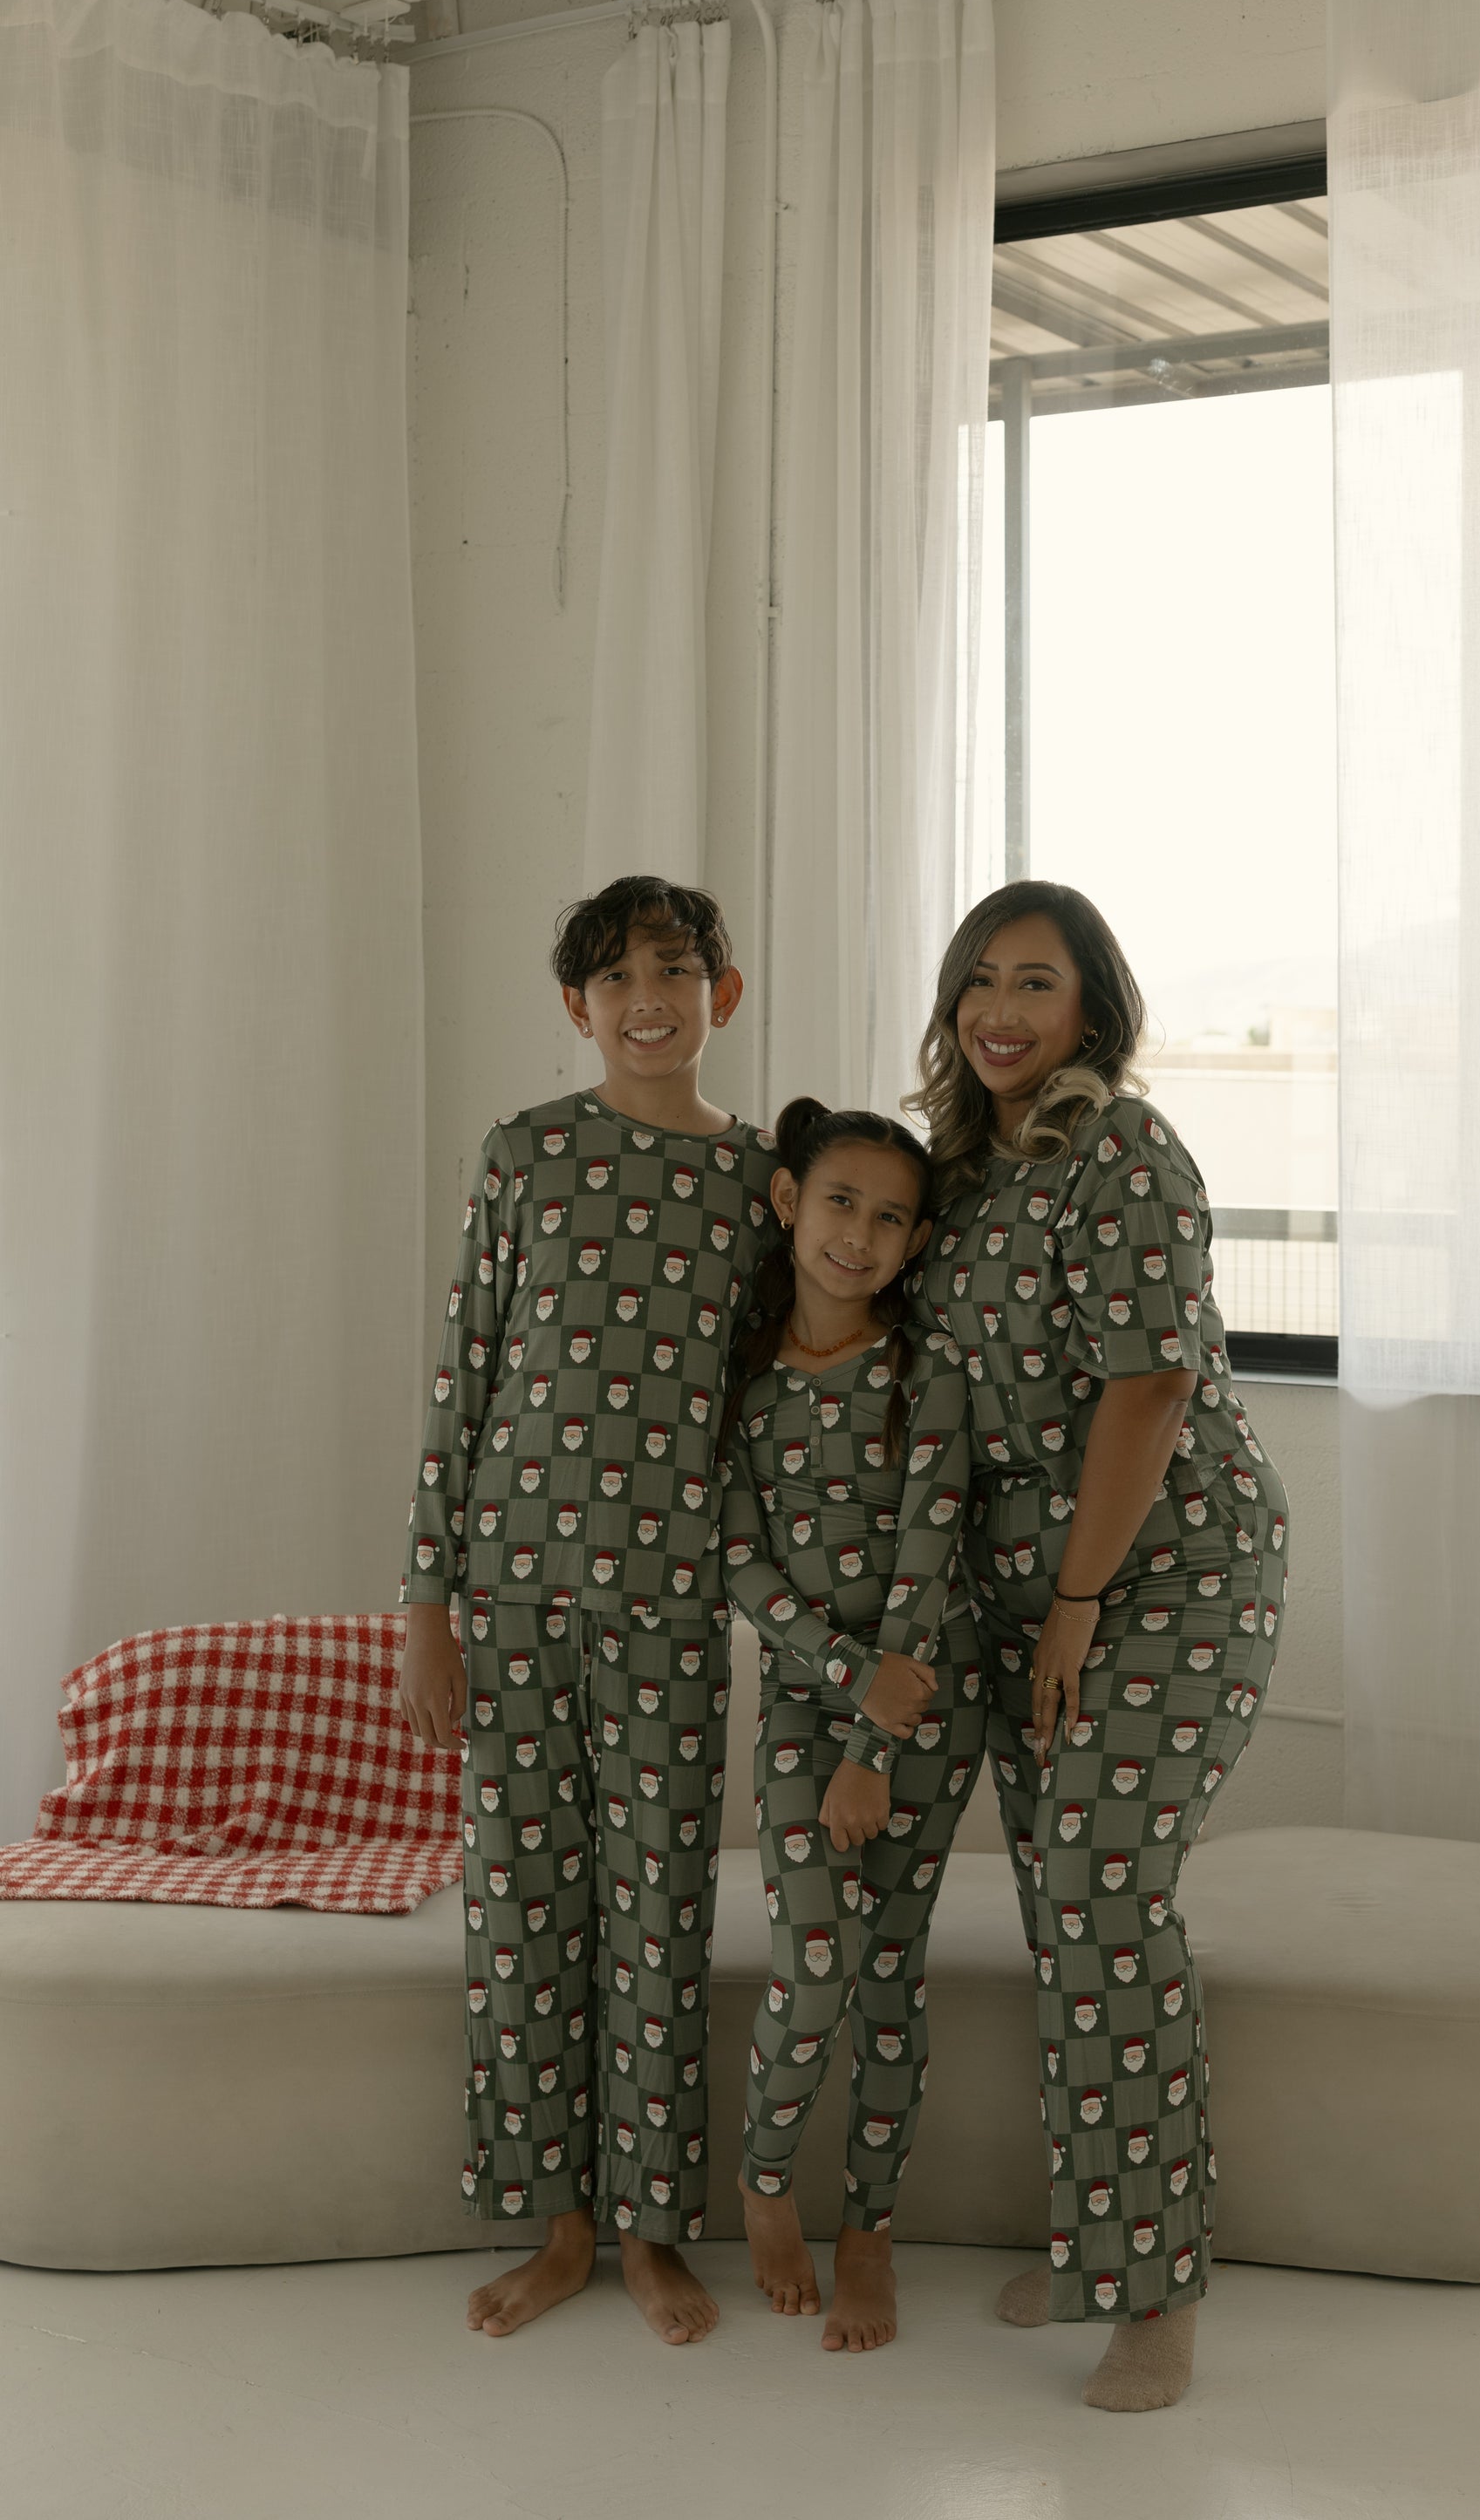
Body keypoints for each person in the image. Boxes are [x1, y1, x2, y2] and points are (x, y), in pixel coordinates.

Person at [907, 879, 1289, 2413]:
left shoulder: (1123, 1151)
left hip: (1171, 1574)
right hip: (1031, 1590)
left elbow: (1149, 1390)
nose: (1001, 1010)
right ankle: (1097, 2241)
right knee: (1067, 1915)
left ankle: (1153, 2297)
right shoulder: (968, 1171)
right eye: (979, 982)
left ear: (1091, 1012)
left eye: (1036, 985)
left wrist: (1073, 1607)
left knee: (1101, 1894)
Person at [396, 875, 779, 2348]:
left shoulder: (760, 1186)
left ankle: (647, 2237)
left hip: (673, 1612)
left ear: (720, 995)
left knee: (660, 1918)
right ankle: (556, 2229)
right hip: (508, 1603)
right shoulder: (526, 1155)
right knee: (521, 1921)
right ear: (576, 1007)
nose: (646, 999)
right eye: (615, 978)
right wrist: (427, 1601)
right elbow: (463, 1380)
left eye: (674, 972)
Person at [718, 1098, 979, 2353]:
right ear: (786, 1203)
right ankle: (765, 2184)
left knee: (887, 1974)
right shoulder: (741, 1373)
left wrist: (879, 1742)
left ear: (914, 1241)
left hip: (925, 1707)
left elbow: (927, 1566)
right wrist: (838, 1683)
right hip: (804, 1711)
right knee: (815, 1962)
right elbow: (735, 1558)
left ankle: (868, 2231)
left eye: (888, 1219)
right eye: (838, 1204)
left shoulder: (924, 1374)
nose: (857, 1236)